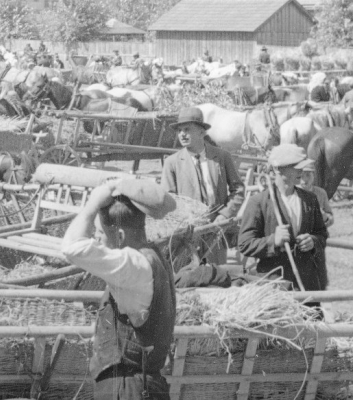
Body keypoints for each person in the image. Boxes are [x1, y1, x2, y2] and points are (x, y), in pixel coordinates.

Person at [61, 178, 176, 399]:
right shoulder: (151, 256)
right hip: (142, 384)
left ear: (120, 236)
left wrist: (93, 203)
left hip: (127, 388)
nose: (96, 241)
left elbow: (71, 248)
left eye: (100, 234)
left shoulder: (133, 264)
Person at [238, 144, 328, 294]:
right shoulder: (258, 202)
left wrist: (313, 241)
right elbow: (244, 244)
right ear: (277, 169)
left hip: (307, 285)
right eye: (295, 167)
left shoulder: (310, 199)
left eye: (302, 166)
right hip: (273, 286)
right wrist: (273, 241)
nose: (301, 171)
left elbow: (322, 234)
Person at [160, 106, 244, 264]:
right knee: (191, 274)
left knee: (216, 273)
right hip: (188, 235)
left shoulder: (221, 157)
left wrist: (224, 215)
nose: (182, 134)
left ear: (201, 132)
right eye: (179, 130)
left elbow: (238, 190)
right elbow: (168, 200)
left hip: (217, 230)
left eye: (187, 129)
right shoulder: (172, 163)